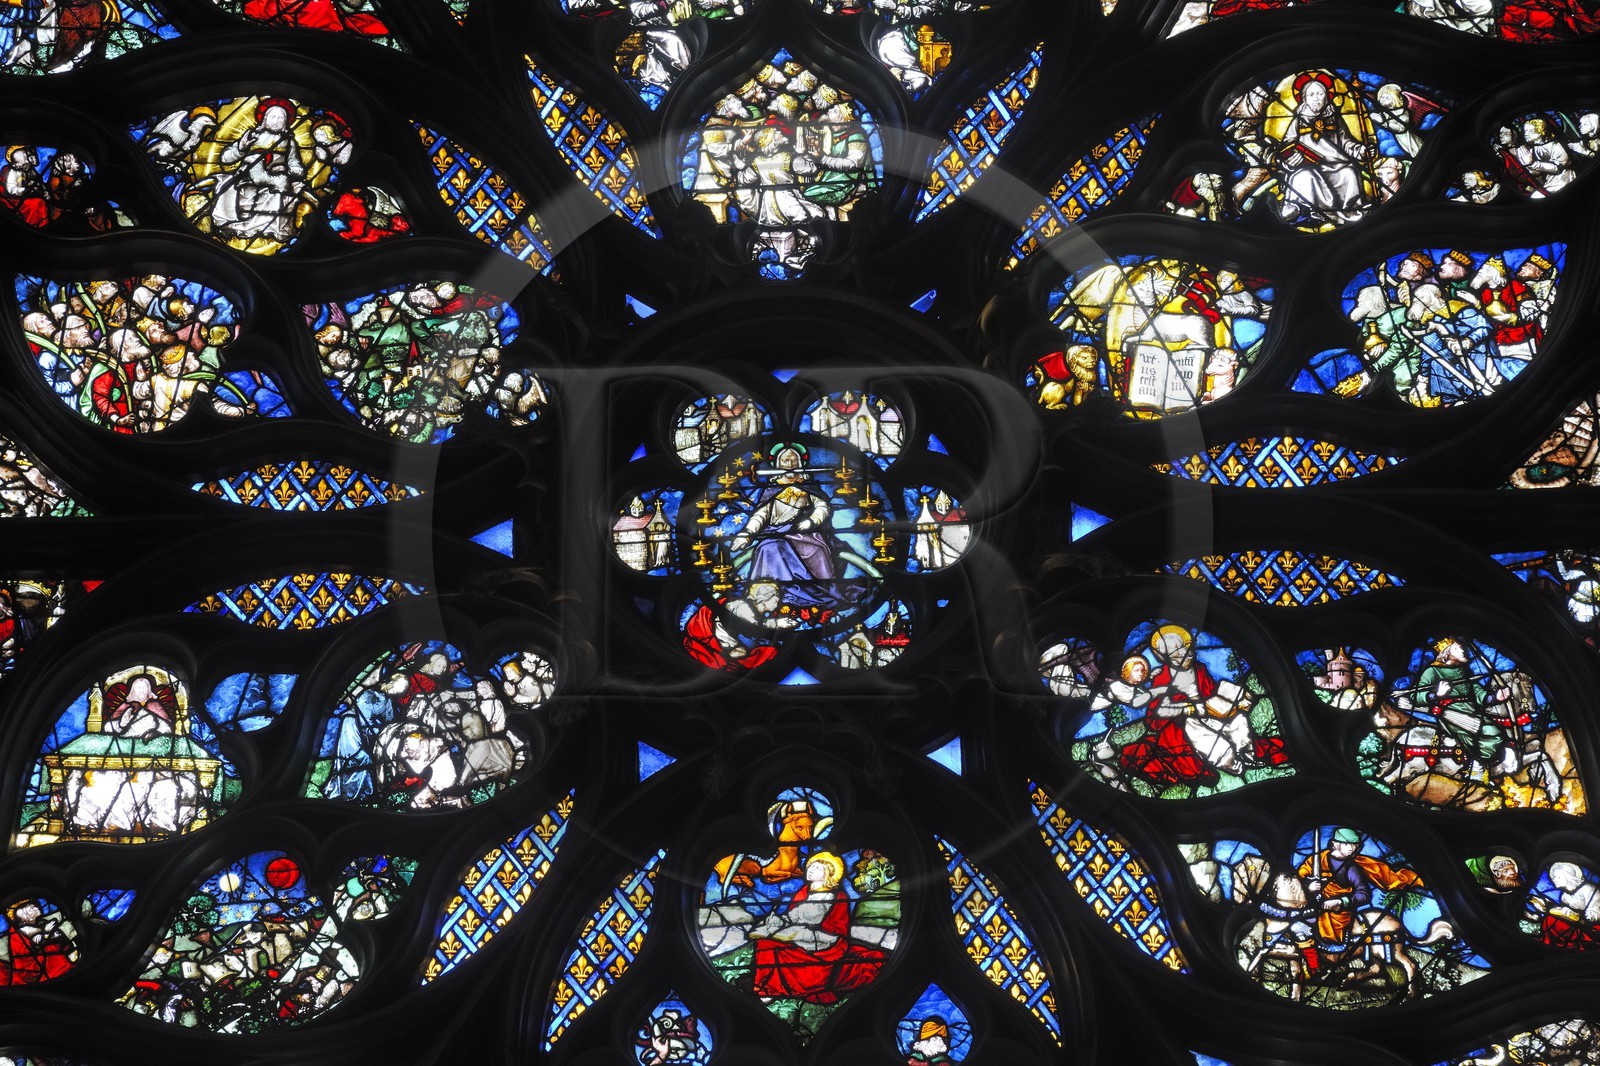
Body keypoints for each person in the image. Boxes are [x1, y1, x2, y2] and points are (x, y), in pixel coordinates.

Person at [749, 851, 887, 1003]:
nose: (811, 870)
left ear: (828, 873)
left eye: (817, 868)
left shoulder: (838, 896)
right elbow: (793, 915)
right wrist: (778, 921)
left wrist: (803, 932)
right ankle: (766, 987)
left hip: (826, 944)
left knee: (770, 944)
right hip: (797, 935)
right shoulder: (803, 892)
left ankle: (773, 989)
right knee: (764, 942)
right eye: (810, 866)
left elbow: (836, 929)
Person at [1297, 828, 1423, 960]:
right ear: (1335, 844)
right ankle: (1310, 965)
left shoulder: (1352, 869)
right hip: (1312, 906)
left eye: (1355, 845)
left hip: (1338, 914)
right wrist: (1308, 887)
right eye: (1348, 844)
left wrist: (1340, 901)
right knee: (1297, 926)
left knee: (1326, 937)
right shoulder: (1316, 861)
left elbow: (1363, 894)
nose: (1352, 848)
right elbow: (1297, 881)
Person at [1269, 73, 1374, 228]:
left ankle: (1349, 212)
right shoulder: (1299, 120)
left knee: (1350, 172)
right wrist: (1290, 159)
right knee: (1304, 177)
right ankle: (1304, 210)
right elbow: (1287, 145)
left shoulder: (1335, 118)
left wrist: (1361, 151)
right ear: (1304, 98)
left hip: (1337, 165)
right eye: (1311, 94)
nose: (1316, 98)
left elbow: (1346, 143)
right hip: (1308, 166)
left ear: (1327, 96)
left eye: (1320, 94)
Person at [1527, 862, 1600, 949]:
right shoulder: (1565, 895)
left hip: (1588, 928)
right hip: (1571, 923)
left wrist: (1577, 915)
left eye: (1558, 877)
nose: (1554, 879)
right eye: (1553, 877)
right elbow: (1562, 911)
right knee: (1550, 919)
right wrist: (1547, 906)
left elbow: (1596, 913)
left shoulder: (1589, 889)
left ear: (1568, 877)